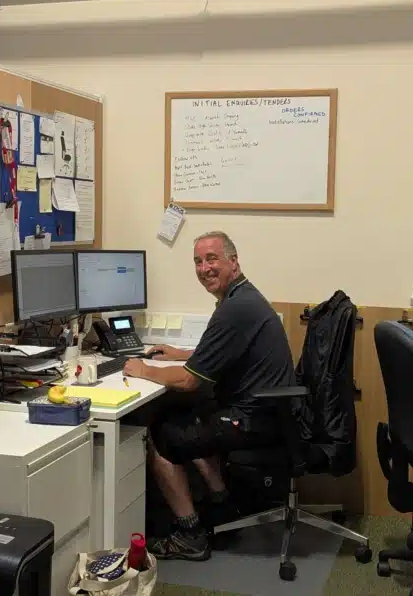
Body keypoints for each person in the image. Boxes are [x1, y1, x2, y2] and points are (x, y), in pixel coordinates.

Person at [122, 231, 294, 560]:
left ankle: (191, 535)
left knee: (163, 436)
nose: (204, 268)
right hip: (267, 411)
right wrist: (179, 353)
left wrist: (144, 370)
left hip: (254, 419)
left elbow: (188, 381)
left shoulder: (235, 308)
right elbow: (221, 353)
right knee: (188, 416)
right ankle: (223, 507)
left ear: (233, 261)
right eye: (198, 262)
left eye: (212, 259)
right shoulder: (241, 298)